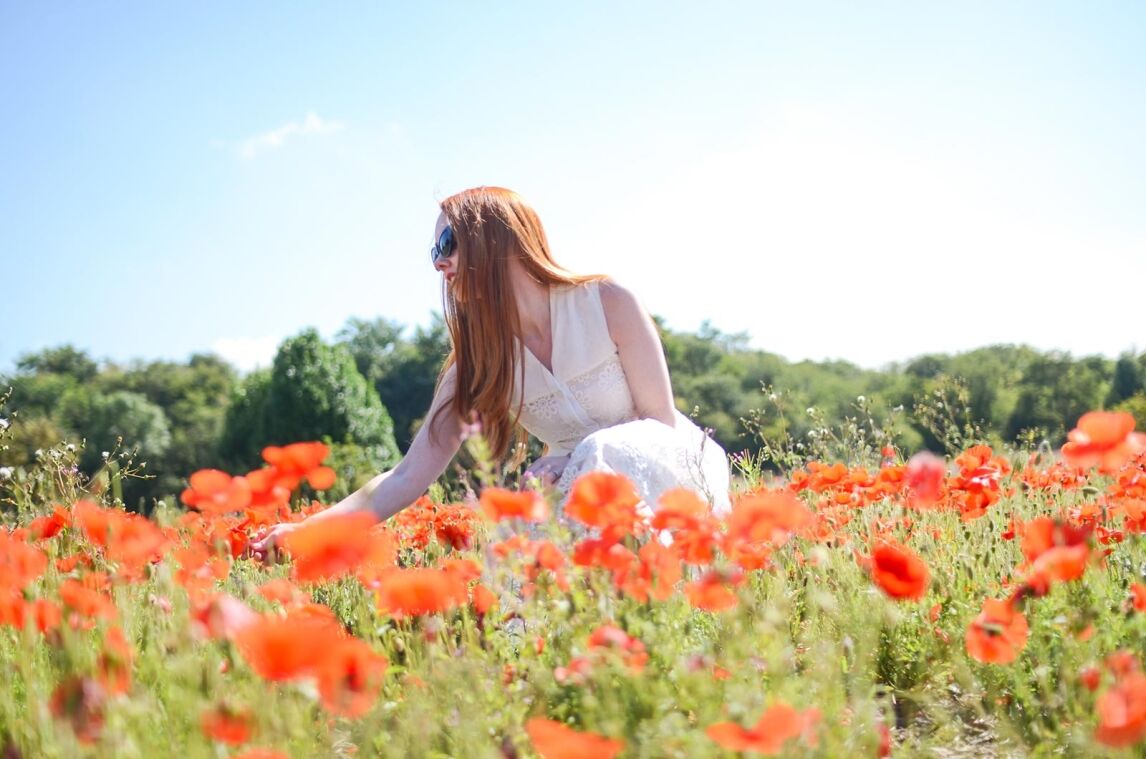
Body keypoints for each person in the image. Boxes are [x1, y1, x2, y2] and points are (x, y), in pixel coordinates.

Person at [250, 186, 729, 559]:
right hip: (572, 499)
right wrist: (307, 532)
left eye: (447, 242)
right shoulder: (477, 362)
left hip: (669, 475)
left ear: (495, 237)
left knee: (597, 457)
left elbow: (660, 422)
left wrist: (578, 456)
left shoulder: (608, 302)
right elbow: (406, 475)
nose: (439, 261)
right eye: (434, 250)